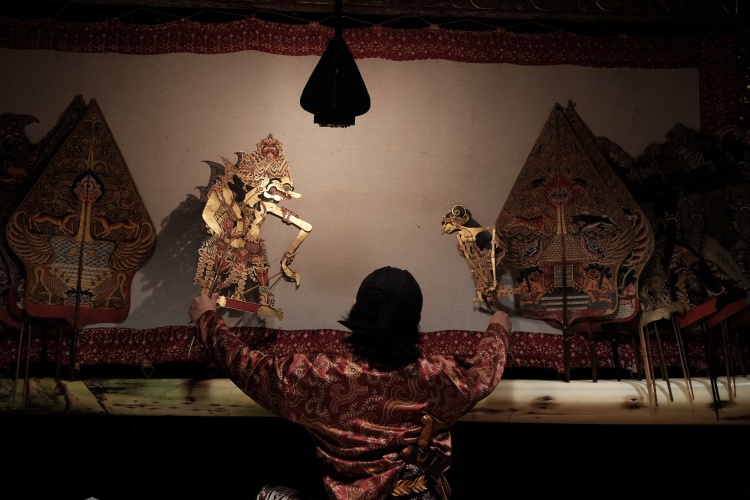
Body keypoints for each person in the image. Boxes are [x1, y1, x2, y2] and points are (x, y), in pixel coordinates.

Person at [188, 266, 511, 500]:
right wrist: (498, 329)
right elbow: (484, 371)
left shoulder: (318, 376)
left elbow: (248, 366)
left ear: (356, 307)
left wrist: (207, 318)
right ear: (415, 322)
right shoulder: (438, 379)